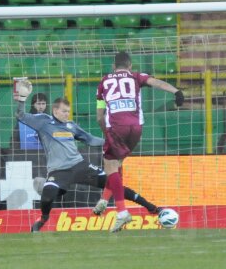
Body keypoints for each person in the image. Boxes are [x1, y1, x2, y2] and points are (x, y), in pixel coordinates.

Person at [13, 83, 165, 232]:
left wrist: (111, 142)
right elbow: (20, 115)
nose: (67, 114)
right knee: (47, 197)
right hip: (58, 171)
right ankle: (44, 218)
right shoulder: (43, 122)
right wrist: (22, 100)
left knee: (113, 182)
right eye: (64, 111)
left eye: (68, 111)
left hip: (80, 166)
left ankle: (151, 207)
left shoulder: (71, 126)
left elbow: (90, 139)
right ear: (55, 110)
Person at [94, 51, 184, 232]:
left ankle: (121, 213)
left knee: (109, 165)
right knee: (116, 164)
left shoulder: (104, 82)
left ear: (113, 66)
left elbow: (99, 117)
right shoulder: (136, 76)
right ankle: (103, 201)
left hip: (116, 126)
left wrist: (107, 132)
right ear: (130, 66)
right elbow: (156, 82)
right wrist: (176, 91)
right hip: (136, 127)